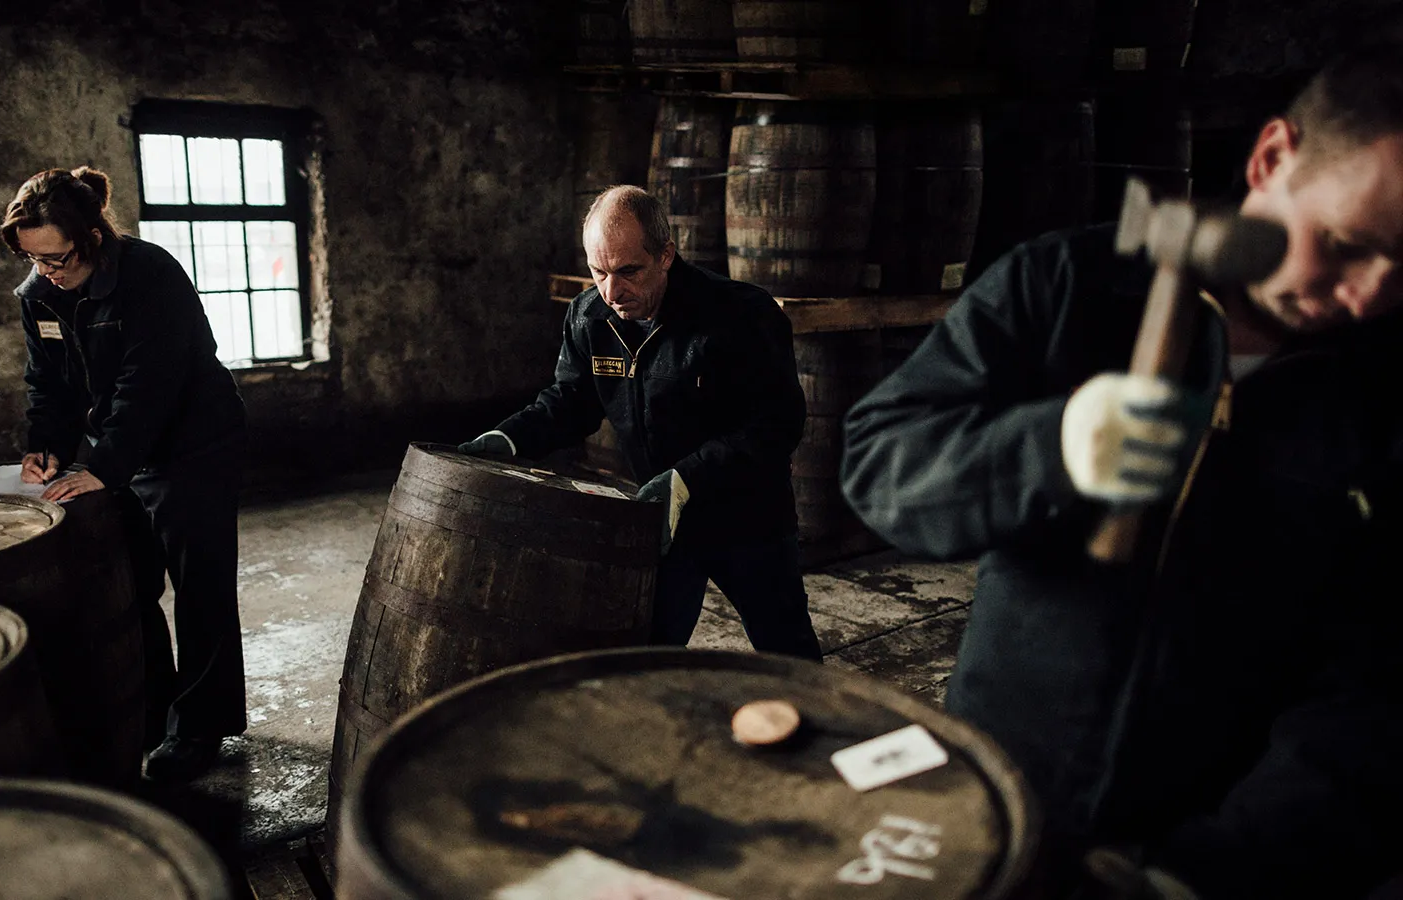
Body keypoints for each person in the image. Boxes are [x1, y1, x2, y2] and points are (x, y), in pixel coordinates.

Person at [840, 47, 1403, 900]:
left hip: (1216, 855)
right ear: (1272, 157)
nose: (1366, 296)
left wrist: (1204, 872)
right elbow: (881, 463)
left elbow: (1380, 691)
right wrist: (1051, 446)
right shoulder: (1067, 284)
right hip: (998, 794)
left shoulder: (1385, 395)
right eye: (1344, 244)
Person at [459, 185, 823, 661]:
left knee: (789, 655)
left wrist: (687, 478)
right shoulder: (590, 317)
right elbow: (571, 400)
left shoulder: (741, 315)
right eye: (598, 271)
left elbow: (777, 422)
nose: (611, 291)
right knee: (643, 658)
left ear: (666, 254)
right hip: (660, 520)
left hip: (749, 516)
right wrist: (508, 437)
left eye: (628, 271)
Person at [0, 166, 249, 782]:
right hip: (118, 448)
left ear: (91, 236)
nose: (46, 271)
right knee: (133, 585)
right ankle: (154, 708)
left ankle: (201, 726)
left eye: (56, 257)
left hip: (192, 445)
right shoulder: (41, 295)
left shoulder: (150, 275)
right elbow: (48, 384)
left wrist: (104, 467)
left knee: (201, 586)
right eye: (34, 260)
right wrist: (47, 447)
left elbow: (150, 385)